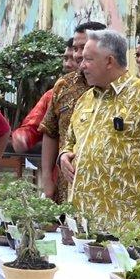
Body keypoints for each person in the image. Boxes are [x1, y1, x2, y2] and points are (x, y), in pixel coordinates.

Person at [58, 29, 140, 230]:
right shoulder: (86, 99)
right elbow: (70, 140)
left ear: (109, 61)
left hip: (130, 226)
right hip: (83, 223)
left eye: (88, 60)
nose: (81, 66)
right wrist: (64, 155)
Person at [39, 21, 106, 202]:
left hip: (105, 193)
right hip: (66, 187)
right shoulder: (64, 86)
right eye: (75, 48)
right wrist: (46, 178)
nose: (77, 55)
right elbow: (50, 131)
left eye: (82, 48)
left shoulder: (119, 88)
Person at [11, 38, 77, 153]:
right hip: (61, 167)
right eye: (65, 58)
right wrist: (23, 137)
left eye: (74, 58)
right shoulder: (53, 94)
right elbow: (33, 126)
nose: (67, 64)